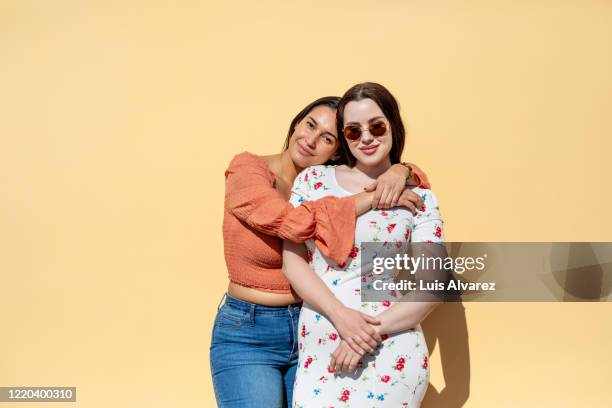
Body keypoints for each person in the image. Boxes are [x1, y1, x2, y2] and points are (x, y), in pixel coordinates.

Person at [210, 95, 431, 408]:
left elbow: (418, 184)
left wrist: (402, 171)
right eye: (309, 124)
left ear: (337, 150)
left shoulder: (320, 185)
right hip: (249, 332)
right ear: (297, 122)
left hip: (312, 326)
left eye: (327, 138)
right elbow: (293, 222)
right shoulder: (248, 169)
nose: (310, 140)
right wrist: (370, 199)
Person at [283, 83, 446, 407]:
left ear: (393, 125)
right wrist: (342, 317)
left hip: (391, 348)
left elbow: (434, 283)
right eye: (354, 131)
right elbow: (293, 262)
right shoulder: (313, 181)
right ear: (344, 136)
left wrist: (366, 334)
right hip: (322, 347)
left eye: (376, 126)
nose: (366, 138)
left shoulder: (420, 197)